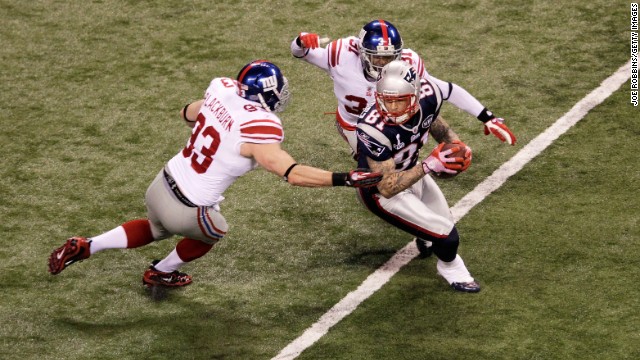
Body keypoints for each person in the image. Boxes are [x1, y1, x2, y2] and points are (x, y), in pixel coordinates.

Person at [48, 60, 382, 288]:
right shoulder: (262, 126)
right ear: (267, 94)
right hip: (189, 206)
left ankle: (88, 244)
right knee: (215, 227)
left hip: (162, 182)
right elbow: (291, 173)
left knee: (155, 227)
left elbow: (187, 113)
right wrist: (345, 177)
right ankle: (162, 272)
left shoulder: (221, 89)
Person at [291, 19, 516, 257]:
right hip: (356, 126)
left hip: (400, 119)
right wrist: (300, 41)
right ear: (361, 51)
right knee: (385, 175)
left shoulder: (407, 63)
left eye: (390, 57)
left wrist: (487, 117)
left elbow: (444, 89)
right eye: (377, 57)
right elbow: (300, 52)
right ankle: (412, 216)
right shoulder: (341, 55)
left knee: (406, 161)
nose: (384, 63)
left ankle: (419, 218)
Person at [355, 60, 480, 292]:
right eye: (386, 100)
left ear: (415, 95)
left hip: (414, 172)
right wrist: (431, 164)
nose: (391, 108)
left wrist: (456, 146)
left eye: (399, 101)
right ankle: (450, 267)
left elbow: (433, 122)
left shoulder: (429, 96)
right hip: (381, 193)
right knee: (446, 237)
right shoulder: (372, 129)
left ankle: (422, 232)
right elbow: (388, 187)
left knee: (445, 225)